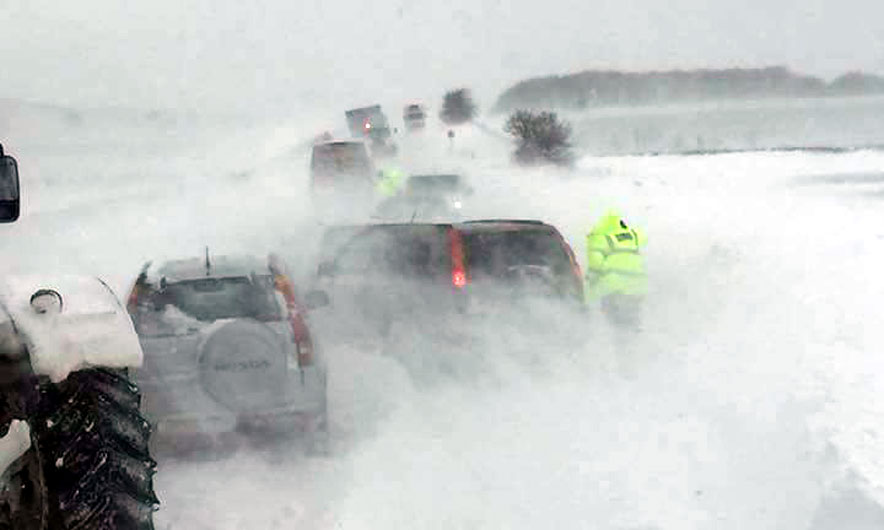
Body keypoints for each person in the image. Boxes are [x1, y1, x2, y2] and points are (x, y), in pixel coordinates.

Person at [585, 209, 647, 328]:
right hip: (637, 285)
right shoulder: (632, 236)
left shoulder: (598, 238)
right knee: (633, 319)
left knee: (615, 321)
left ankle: (621, 342)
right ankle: (636, 341)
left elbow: (595, 264)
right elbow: (643, 237)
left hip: (614, 287)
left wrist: (590, 283)